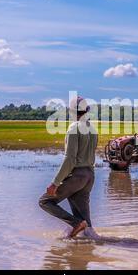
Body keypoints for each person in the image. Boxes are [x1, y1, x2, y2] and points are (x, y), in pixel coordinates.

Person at [39, 96, 98, 238]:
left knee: (45, 201)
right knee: (87, 227)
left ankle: (76, 224)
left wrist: (55, 183)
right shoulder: (93, 129)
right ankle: (86, 251)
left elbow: (70, 159)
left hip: (78, 175)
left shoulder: (74, 127)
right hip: (90, 175)